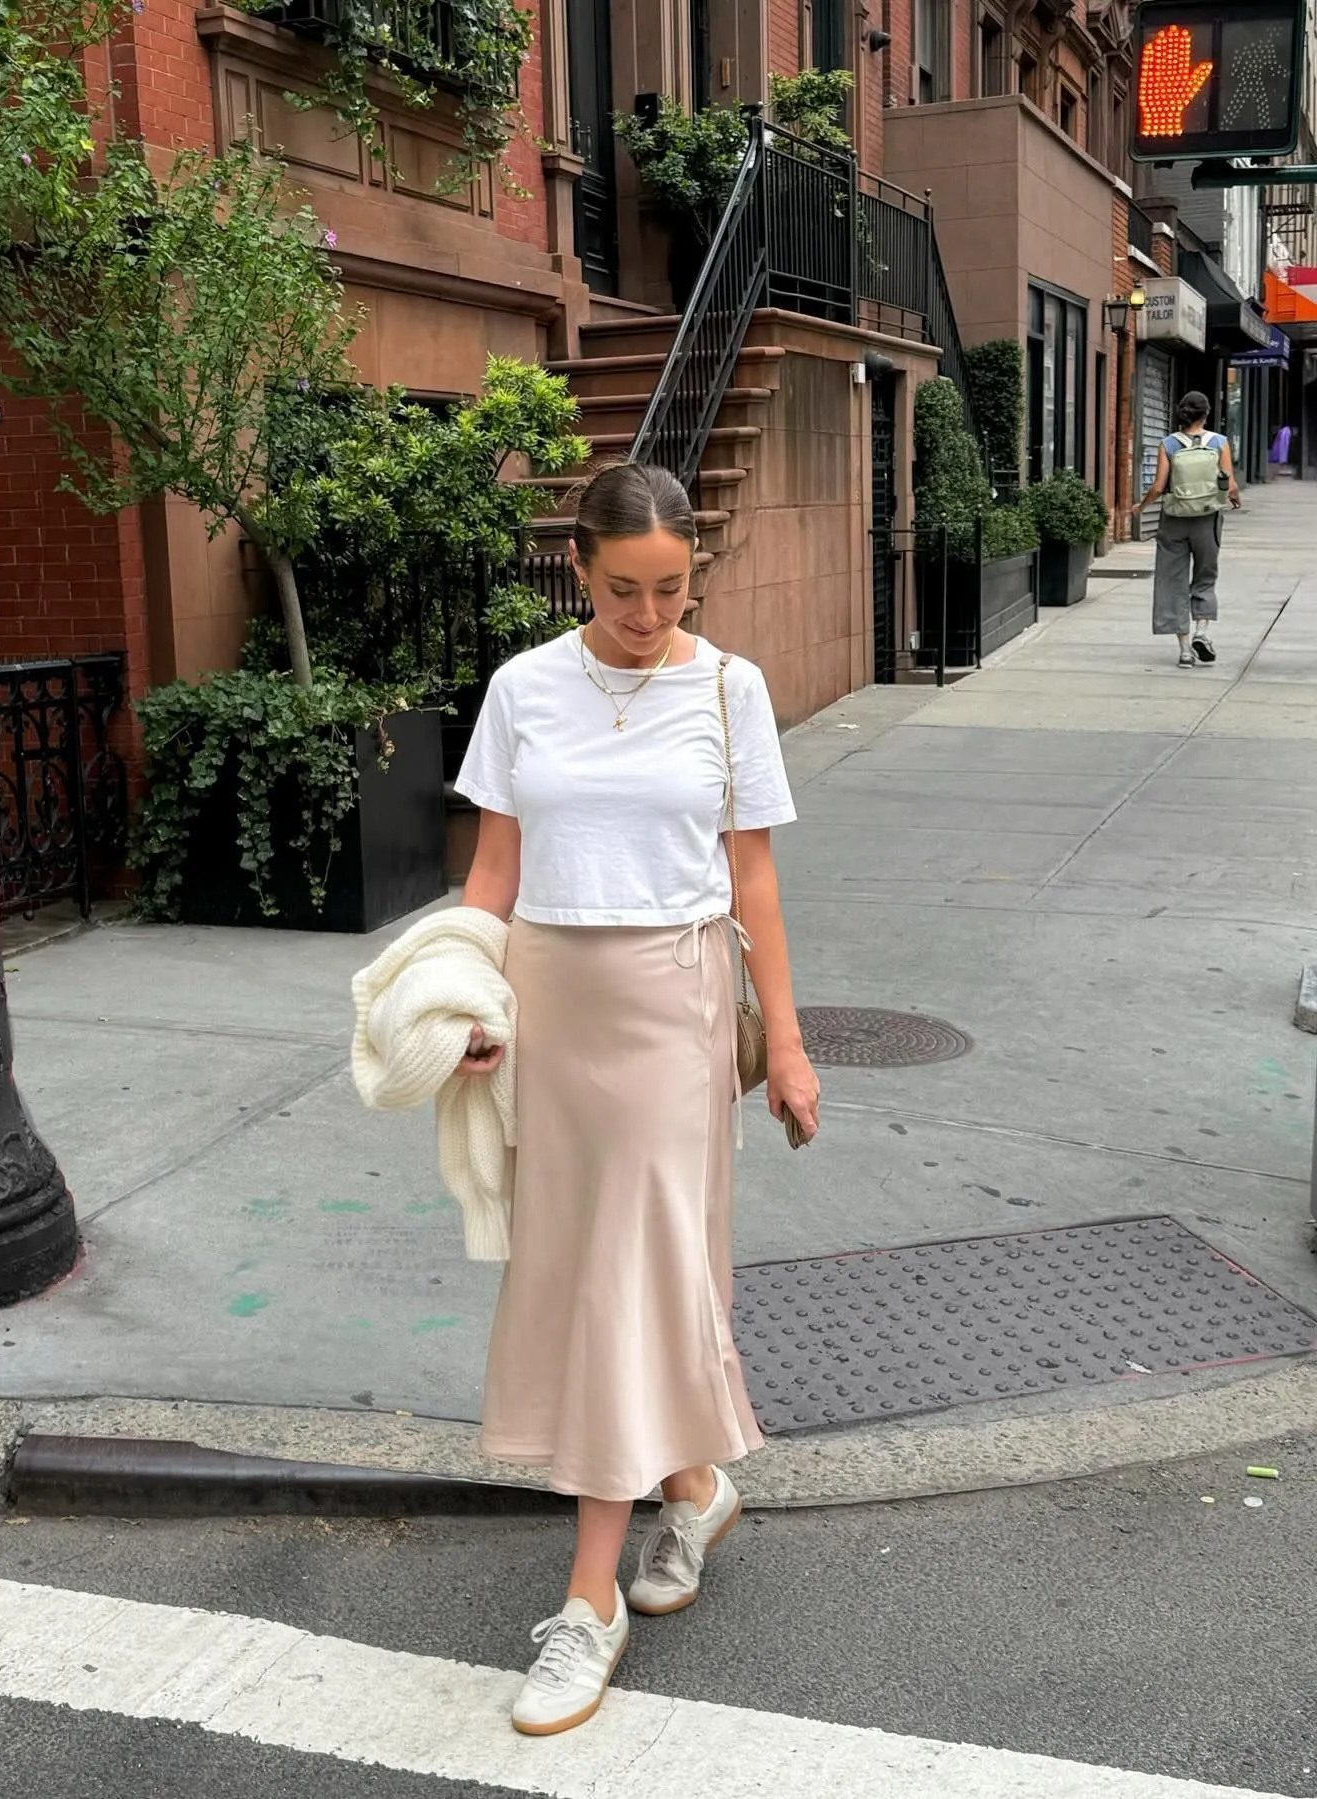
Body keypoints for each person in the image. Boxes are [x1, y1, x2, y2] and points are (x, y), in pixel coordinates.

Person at [452, 461, 820, 1737]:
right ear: (579, 566)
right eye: (624, 588)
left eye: (672, 587)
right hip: (552, 1001)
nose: (649, 611)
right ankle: (695, 1481)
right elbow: (492, 873)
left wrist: (787, 1042)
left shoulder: (732, 688)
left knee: (628, 1269)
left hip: (675, 1002)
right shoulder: (523, 687)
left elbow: (754, 882)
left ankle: (589, 1597)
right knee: (590, 1269)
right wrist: (466, 1003)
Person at [1135, 390, 1241, 667]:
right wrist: (1234, 500)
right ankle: (1202, 633)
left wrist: (1140, 507)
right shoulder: (1219, 442)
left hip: (1174, 518)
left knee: (1172, 581)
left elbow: (1159, 487)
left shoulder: (1169, 444)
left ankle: (1184, 651)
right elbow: (1229, 484)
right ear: (1206, 414)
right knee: (1205, 576)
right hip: (1208, 516)